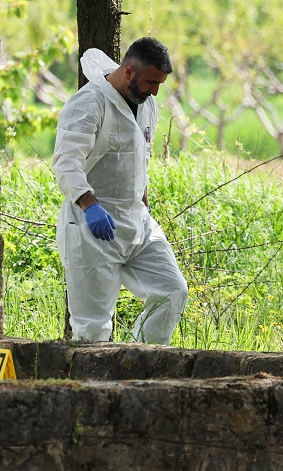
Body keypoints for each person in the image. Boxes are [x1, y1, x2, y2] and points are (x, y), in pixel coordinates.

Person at [52, 36, 188, 345]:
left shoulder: (146, 104)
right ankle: (92, 390)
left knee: (171, 291)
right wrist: (90, 205)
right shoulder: (88, 103)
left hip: (137, 223)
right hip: (92, 227)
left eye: (160, 84)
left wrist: (143, 200)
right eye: (151, 82)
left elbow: (140, 155)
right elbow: (66, 161)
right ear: (128, 72)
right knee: (93, 328)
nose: (155, 91)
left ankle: (141, 364)